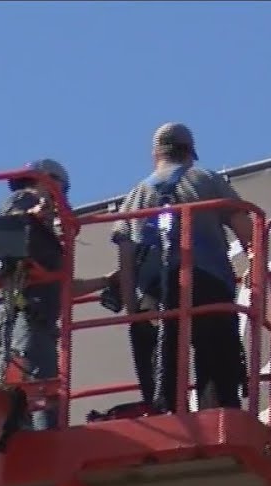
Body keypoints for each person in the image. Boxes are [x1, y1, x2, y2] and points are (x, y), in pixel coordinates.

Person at [107, 123, 253, 414]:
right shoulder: (206, 179)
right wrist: (254, 266)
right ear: (189, 153)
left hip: (153, 293)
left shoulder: (135, 196)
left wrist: (133, 314)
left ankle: (164, 412)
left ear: (155, 155)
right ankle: (218, 411)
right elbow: (248, 230)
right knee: (216, 359)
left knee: (157, 359)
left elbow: (125, 259)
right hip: (206, 284)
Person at [0, 158, 113, 429]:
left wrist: (106, 281)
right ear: (48, 181)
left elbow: (62, 287)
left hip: (37, 319)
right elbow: (10, 226)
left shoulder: (45, 235)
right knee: (30, 385)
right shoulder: (24, 199)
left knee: (39, 386)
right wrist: (34, 215)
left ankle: (32, 431)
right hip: (21, 315)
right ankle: (29, 435)